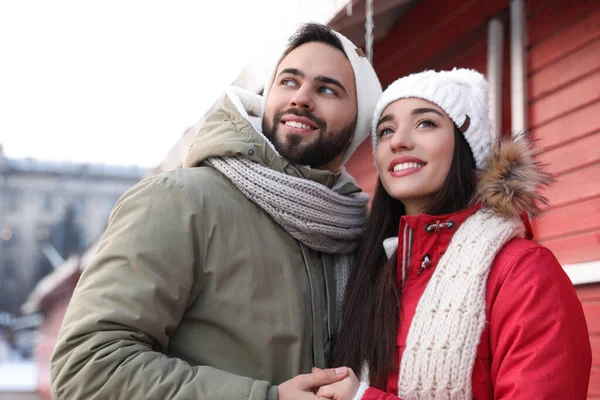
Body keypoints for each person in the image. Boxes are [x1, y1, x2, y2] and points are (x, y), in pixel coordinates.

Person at [50, 23, 382, 399]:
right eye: (289, 81)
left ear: (358, 120)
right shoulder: (179, 201)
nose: (302, 98)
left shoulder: (356, 232)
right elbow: (88, 369)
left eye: (326, 89)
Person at [316, 68, 592, 399]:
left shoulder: (523, 272)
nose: (399, 140)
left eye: (426, 123)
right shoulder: (369, 270)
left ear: (465, 146)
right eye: (386, 130)